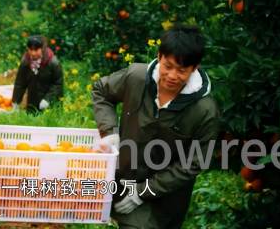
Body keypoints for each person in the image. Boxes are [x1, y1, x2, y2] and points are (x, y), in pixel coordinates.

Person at [92, 25, 219, 229]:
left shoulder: (204, 110)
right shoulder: (136, 77)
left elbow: (194, 162)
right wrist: (109, 132)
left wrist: (144, 192)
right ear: (159, 56)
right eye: (167, 66)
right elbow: (101, 91)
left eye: (182, 70)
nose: (172, 76)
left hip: (163, 198)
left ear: (194, 68)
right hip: (122, 179)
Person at [12, 35, 63, 113]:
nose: (33, 53)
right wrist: (16, 101)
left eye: (36, 50)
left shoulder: (53, 63)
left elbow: (58, 84)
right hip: (32, 103)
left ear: (42, 49)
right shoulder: (25, 62)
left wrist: (47, 99)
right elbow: (20, 83)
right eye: (30, 50)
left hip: (50, 106)